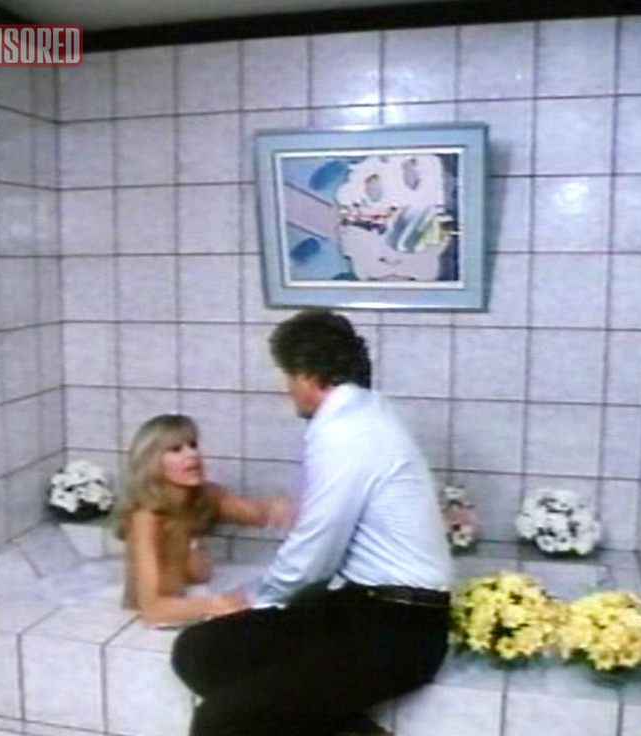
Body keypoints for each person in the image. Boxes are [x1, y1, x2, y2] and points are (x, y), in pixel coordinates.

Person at [171, 309, 453, 736]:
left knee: (218, 721)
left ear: (306, 375)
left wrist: (255, 597)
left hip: (401, 630)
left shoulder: (346, 430)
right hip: (359, 607)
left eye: (287, 376)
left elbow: (317, 549)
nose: (286, 389)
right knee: (199, 652)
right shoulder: (366, 411)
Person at [117, 414, 290, 626]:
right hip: (149, 616)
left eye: (193, 445)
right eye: (176, 449)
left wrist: (277, 507)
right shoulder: (146, 517)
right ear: (152, 463)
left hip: (187, 596)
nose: (192, 454)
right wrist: (215, 604)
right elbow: (152, 611)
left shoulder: (203, 495)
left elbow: (258, 514)